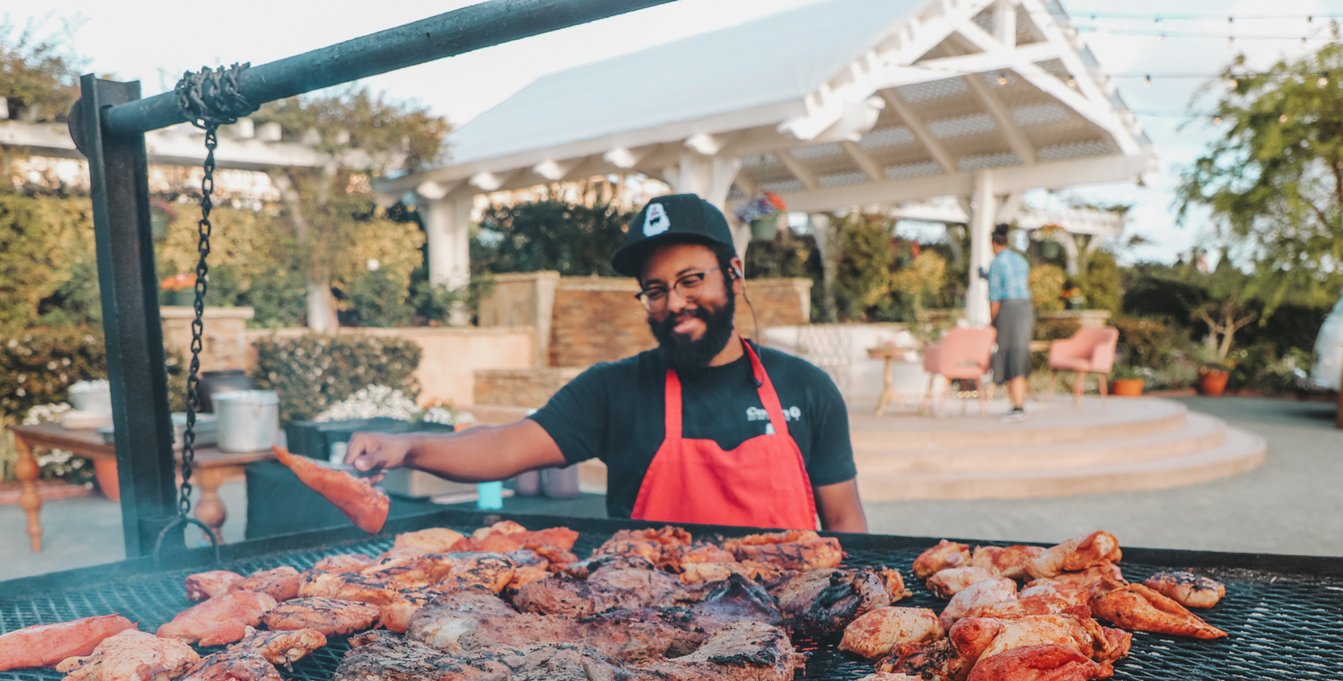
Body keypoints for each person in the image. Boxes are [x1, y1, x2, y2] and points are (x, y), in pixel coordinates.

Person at [343, 193, 868, 532]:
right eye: (656, 290)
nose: (674, 303)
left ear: (732, 273)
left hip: (790, 633)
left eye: (691, 280)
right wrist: (407, 446)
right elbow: (504, 445)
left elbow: (844, 517)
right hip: (655, 638)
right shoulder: (615, 390)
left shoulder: (805, 388)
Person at [987, 223, 1033, 422]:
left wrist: (993, 323)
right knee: (1020, 354)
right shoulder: (1021, 260)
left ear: (995, 244)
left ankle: (1017, 407)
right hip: (1025, 309)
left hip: (1008, 310)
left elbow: (994, 297)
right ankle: (1017, 405)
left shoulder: (998, 263)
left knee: (1009, 354)